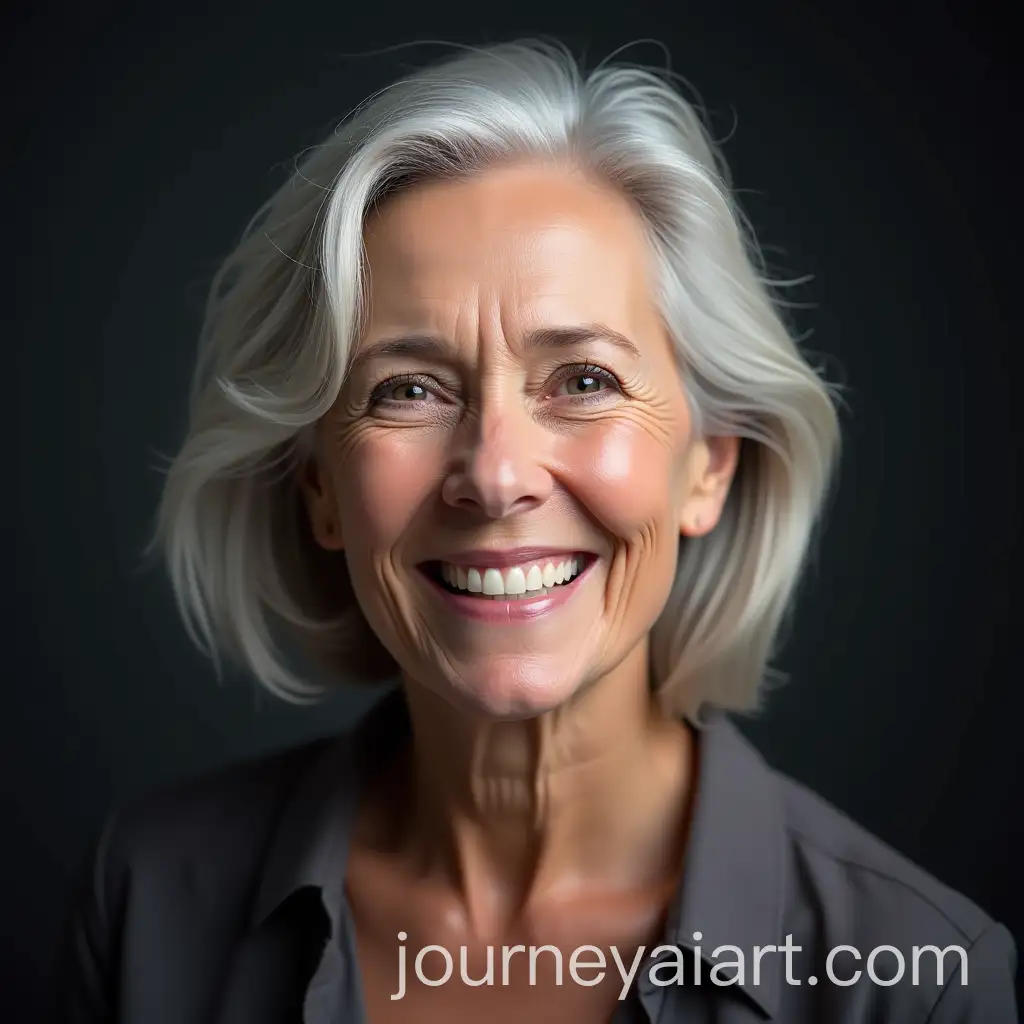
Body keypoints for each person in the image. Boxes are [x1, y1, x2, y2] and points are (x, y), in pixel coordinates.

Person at [52, 40, 1016, 1023]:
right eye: (409, 389)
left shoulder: (917, 980)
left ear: (709, 465)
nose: (496, 475)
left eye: (584, 381)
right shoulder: (146, 901)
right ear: (321, 491)